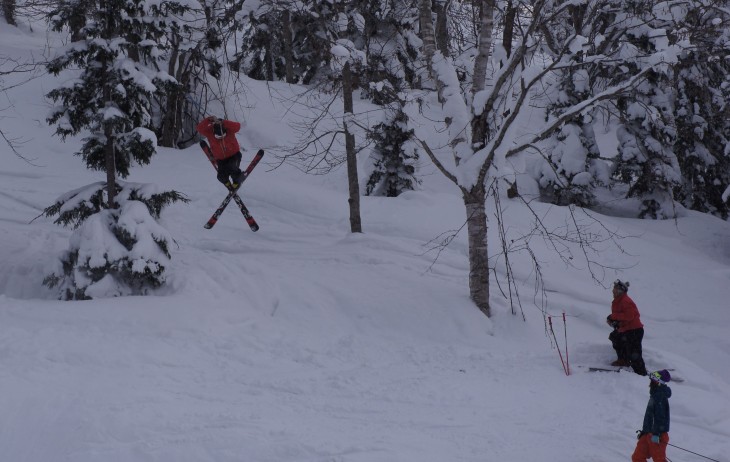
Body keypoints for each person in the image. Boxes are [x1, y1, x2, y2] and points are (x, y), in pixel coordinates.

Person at [606, 279, 647, 375]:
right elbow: (621, 316)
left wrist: (613, 317)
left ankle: (641, 373)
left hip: (634, 331)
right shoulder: (618, 301)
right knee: (615, 337)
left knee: (634, 354)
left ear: (620, 291)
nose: (613, 291)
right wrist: (614, 322)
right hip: (626, 329)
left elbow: (629, 316)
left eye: (615, 289)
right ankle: (623, 360)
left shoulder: (625, 301)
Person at [632, 369, 672, 462]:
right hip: (648, 433)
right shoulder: (655, 395)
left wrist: (656, 434)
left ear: (658, 382)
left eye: (652, 380)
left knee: (659, 460)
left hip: (657, 435)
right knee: (637, 457)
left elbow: (660, 417)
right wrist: (645, 431)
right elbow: (651, 417)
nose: (650, 382)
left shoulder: (660, 396)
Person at [196, 116, 245, 188]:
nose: (221, 137)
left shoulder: (229, 129)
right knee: (221, 176)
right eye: (218, 137)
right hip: (221, 160)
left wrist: (224, 122)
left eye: (223, 135)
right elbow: (199, 128)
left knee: (232, 168)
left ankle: (236, 182)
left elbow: (238, 126)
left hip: (234, 155)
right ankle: (228, 185)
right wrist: (209, 120)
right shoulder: (209, 132)